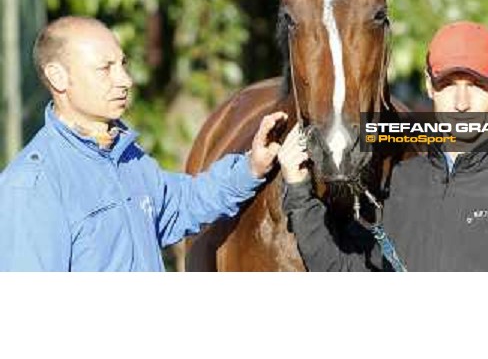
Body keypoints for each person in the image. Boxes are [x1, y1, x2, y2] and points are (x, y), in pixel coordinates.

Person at [279, 21, 488, 271]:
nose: (462, 103)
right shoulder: (400, 181)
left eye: (477, 85)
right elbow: (344, 274)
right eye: (448, 84)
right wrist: (298, 190)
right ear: (428, 84)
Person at [0, 16, 286, 272]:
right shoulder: (31, 186)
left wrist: (251, 166)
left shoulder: (126, 156)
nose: (125, 80)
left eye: (122, 64)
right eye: (105, 69)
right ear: (57, 77)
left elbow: (182, 204)